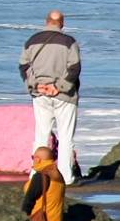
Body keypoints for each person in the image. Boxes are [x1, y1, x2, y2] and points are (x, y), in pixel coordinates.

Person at [19, 10, 82, 183]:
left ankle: (36, 174)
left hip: (40, 94)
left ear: (46, 21)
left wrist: (35, 85)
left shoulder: (32, 41)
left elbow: (24, 66)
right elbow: (74, 68)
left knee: (41, 135)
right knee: (66, 137)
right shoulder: (70, 42)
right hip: (64, 95)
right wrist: (58, 87)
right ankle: (65, 178)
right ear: (62, 23)